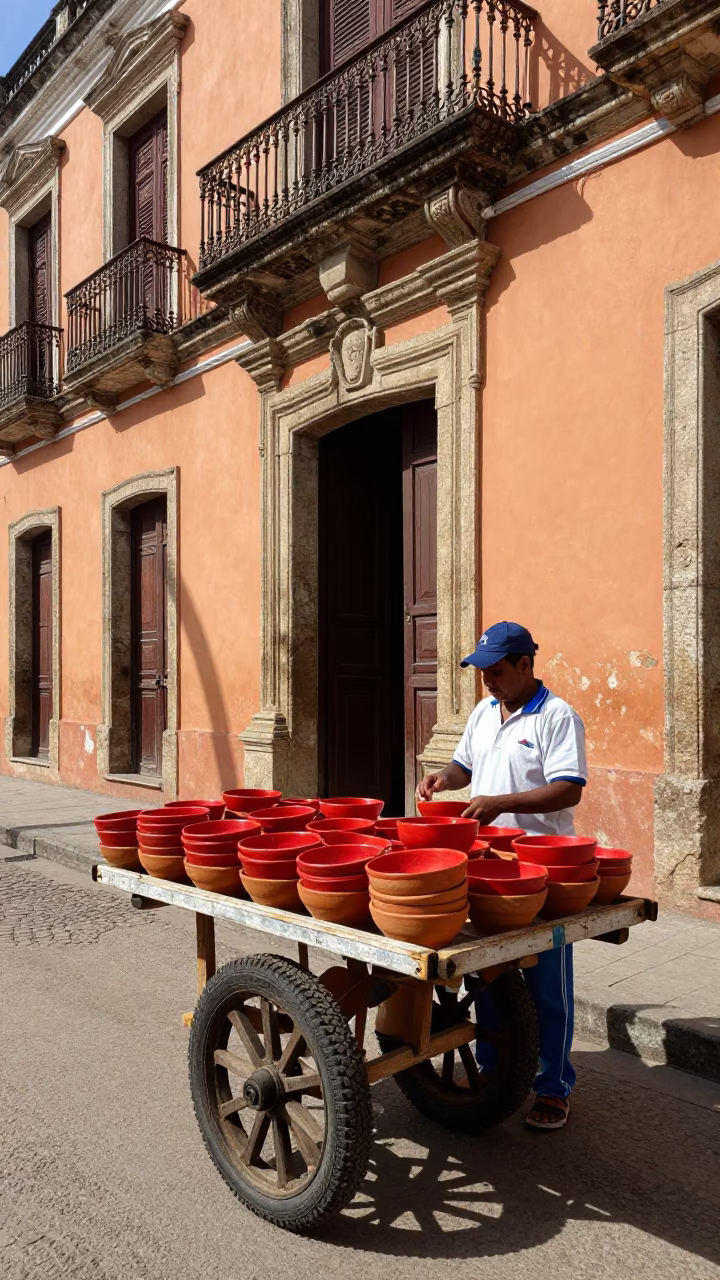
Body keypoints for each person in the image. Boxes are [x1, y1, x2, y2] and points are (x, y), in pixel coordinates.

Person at [416, 621, 588, 1130]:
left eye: (496, 671)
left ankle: (554, 1086)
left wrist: (500, 804)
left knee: (546, 985)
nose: (488, 680)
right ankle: (494, 1070)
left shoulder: (557, 717)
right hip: (485, 866)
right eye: (482, 672)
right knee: (489, 975)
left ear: (525, 665)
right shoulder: (485, 712)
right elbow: (464, 768)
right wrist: (443, 779)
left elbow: (568, 789)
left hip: (541, 870)